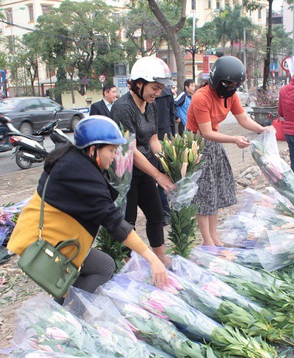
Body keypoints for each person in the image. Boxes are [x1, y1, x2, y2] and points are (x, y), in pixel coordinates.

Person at [7, 116, 169, 295]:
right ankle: (71, 314)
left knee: (104, 266)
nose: (115, 155)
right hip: (47, 245)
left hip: (54, 239)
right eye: (111, 150)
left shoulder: (72, 158)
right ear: (93, 149)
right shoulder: (80, 173)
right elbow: (114, 222)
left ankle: (70, 306)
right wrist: (152, 258)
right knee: (101, 269)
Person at [186, 56, 268, 247]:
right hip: (196, 144)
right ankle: (207, 240)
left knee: (215, 190)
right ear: (217, 79)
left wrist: (261, 129)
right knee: (204, 194)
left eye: (235, 84)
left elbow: (243, 119)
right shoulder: (201, 97)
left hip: (214, 142)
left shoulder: (231, 96)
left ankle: (214, 235)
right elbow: (205, 132)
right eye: (227, 83)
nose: (231, 87)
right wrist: (234, 139)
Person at [111, 56, 175, 265]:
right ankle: (126, 263)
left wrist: (170, 161)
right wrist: (158, 175)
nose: (158, 93)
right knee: (127, 222)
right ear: (139, 83)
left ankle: (160, 258)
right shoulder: (122, 108)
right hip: (125, 175)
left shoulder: (152, 106)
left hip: (145, 171)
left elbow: (153, 140)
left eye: (160, 88)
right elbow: (132, 150)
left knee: (156, 215)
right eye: (154, 88)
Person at [154, 84, 176, 225]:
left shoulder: (150, 93)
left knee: (158, 176)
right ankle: (168, 211)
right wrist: (173, 135)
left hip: (153, 136)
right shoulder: (167, 91)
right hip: (166, 133)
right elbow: (172, 114)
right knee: (166, 173)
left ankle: (164, 211)